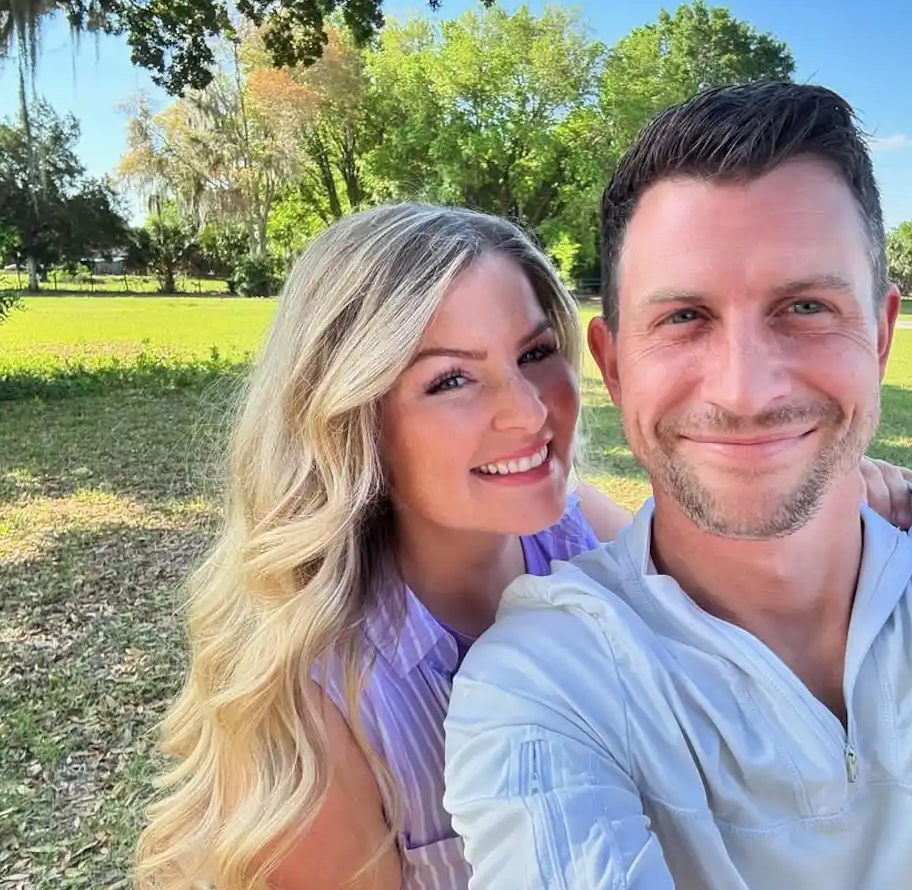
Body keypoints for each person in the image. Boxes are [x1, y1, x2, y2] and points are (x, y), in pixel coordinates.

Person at [133, 202, 911, 890]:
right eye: (450, 380)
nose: (528, 412)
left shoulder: (571, 529)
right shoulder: (319, 701)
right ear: (353, 419)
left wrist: (836, 484)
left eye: (535, 354)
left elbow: (701, 569)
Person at [442, 82, 912, 890]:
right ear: (614, 365)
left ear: (879, 336)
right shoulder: (549, 681)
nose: (745, 391)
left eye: (805, 306)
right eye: (685, 317)